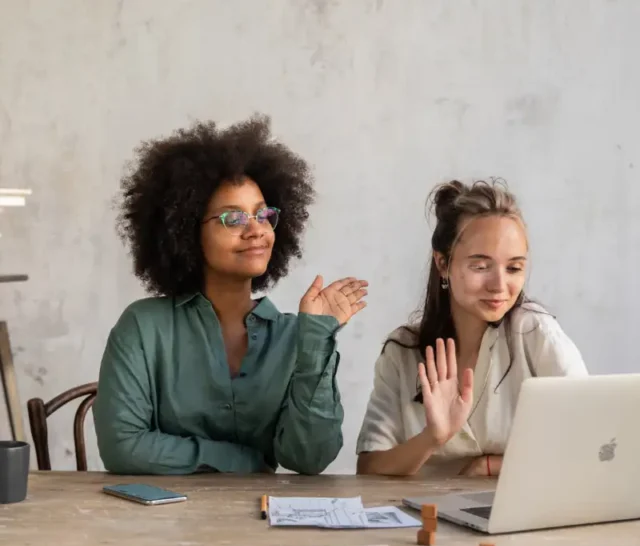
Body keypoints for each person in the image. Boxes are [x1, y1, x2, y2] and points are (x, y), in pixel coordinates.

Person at [93, 115, 368, 475]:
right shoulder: (144, 328)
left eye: (263, 215)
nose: (256, 230)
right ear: (187, 232)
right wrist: (243, 461)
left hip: (265, 524)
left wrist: (317, 336)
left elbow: (308, 459)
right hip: (161, 524)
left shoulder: (295, 336)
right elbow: (123, 447)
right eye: (232, 219)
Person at [356, 179, 587, 477]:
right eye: (480, 266)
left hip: (520, 519)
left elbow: (589, 444)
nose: (499, 286)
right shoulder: (404, 351)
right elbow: (370, 469)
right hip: (424, 519)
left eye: (514, 268)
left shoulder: (535, 335)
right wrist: (433, 437)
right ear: (442, 264)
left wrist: (490, 466)